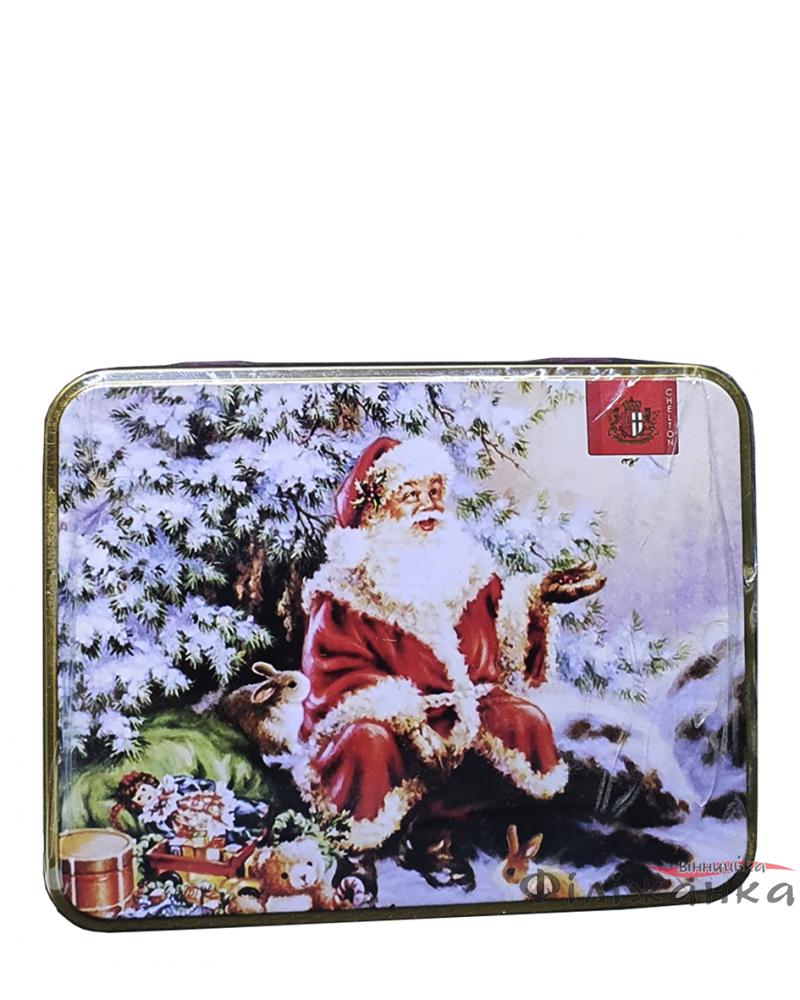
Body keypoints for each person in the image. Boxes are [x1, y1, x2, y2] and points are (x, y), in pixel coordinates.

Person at [292, 436, 604, 878]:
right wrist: (408, 722)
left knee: (524, 723)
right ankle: (356, 852)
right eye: (410, 494)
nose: (428, 505)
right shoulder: (345, 591)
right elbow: (336, 682)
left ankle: (434, 833)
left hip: (461, 705)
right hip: (383, 720)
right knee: (367, 742)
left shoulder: (464, 569)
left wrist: (538, 597)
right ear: (377, 509)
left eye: (435, 491)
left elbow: (499, 630)